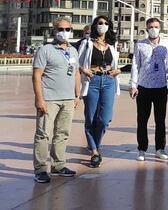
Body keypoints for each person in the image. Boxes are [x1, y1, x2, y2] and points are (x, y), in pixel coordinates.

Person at [32, 16, 81, 183]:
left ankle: (58, 165)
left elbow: (76, 73)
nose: (64, 32)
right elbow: (37, 75)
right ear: (54, 31)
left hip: (68, 99)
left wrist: (77, 95)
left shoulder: (73, 51)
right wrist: (40, 99)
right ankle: (40, 169)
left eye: (67, 29)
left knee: (62, 133)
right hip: (49, 99)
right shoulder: (45, 50)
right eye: (61, 29)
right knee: (43, 134)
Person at [78, 15, 121, 168]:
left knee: (104, 119)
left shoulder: (111, 44)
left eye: (105, 23)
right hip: (93, 81)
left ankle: (94, 144)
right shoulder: (87, 43)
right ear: (95, 25)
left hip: (108, 80)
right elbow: (77, 63)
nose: (102, 25)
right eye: (100, 23)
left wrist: (117, 71)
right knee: (90, 118)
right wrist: (84, 70)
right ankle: (95, 152)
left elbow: (115, 63)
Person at [129, 18, 168, 162]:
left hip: (160, 87)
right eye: (151, 27)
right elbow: (135, 65)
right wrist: (133, 84)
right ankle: (142, 149)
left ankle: (160, 149)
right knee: (142, 120)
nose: (153, 29)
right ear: (147, 28)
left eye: (156, 26)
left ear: (160, 28)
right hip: (144, 87)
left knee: (160, 120)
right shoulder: (140, 44)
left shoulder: (166, 45)